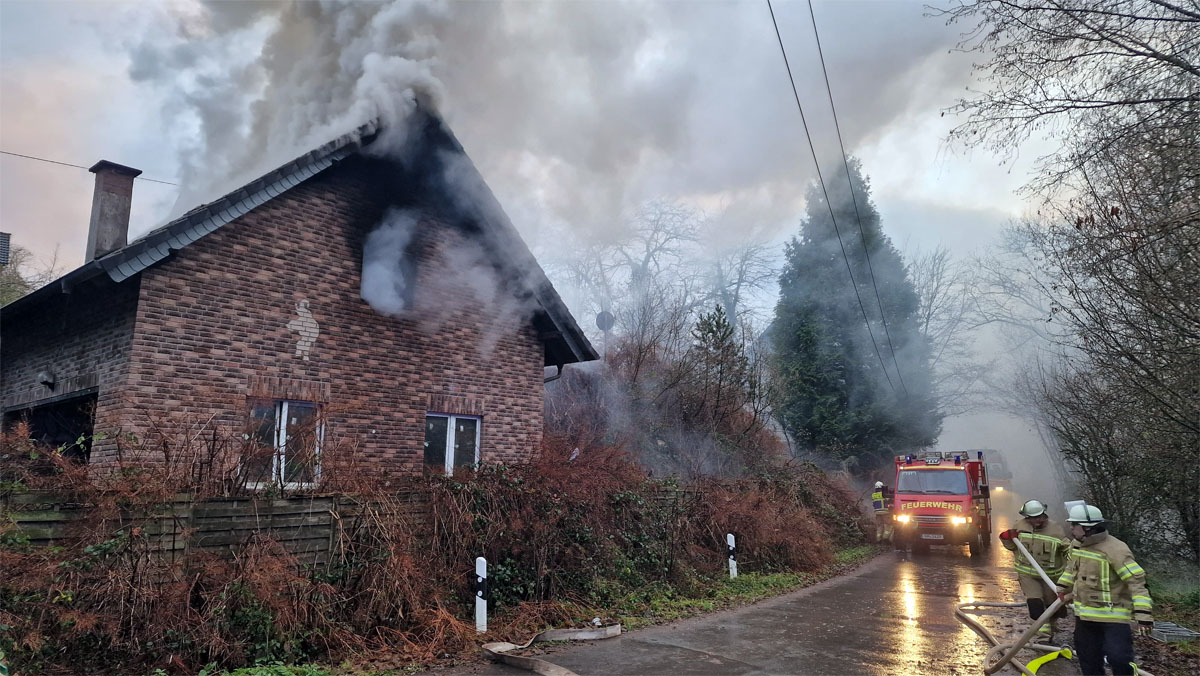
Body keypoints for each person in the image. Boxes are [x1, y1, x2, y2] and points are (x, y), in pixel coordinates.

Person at [1056, 504, 1153, 676]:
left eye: (1074, 525)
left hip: (1113, 617)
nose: (1071, 528)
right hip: (1085, 616)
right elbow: (1071, 569)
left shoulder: (1116, 550)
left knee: (1119, 659)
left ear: (1088, 528)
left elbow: (1136, 582)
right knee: (1088, 660)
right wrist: (1062, 587)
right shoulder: (1077, 545)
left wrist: (1143, 615)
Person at [998, 499, 1070, 637]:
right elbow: (1013, 547)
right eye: (1032, 518)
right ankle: (1042, 632)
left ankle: (1053, 625)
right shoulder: (1019, 526)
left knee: (1053, 605)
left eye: (1039, 517)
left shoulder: (1055, 529)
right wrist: (1006, 539)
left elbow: (1066, 549)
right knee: (1035, 604)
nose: (1036, 521)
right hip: (1027, 574)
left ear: (1044, 514)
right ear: (1027, 517)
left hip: (1050, 575)